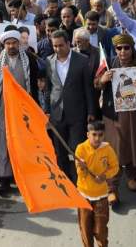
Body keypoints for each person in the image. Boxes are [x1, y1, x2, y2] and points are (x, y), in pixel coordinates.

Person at [96, 34, 136, 204]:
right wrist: (103, 79)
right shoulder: (109, 63)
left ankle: (132, 176)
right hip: (114, 115)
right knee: (115, 148)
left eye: (126, 47)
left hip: (135, 114)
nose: (122, 51)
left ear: (132, 47)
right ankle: (112, 187)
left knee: (135, 145)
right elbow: (96, 82)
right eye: (119, 48)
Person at [0, 29, 43, 195]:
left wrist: (36, 107)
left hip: (24, 105)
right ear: (4, 44)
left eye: (14, 43)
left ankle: (22, 176)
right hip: (4, 105)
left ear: (19, 43)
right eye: (8, 43)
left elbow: (35, 84)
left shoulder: (30, 60)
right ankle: (3, 177)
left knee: (24, 140)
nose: (11, 46)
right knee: (5, 139)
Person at [47, 29, 95, 183]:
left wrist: (91, 111)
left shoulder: (81, 60)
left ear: (69, 43)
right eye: (55, 46)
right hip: (56, 114)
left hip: (77, 113)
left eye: (61, 45)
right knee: (59, 151)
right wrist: (47, 111)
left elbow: (88, 88)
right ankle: (65, 180)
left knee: (77, 149)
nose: (58, 49)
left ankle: (80, 179)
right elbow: (49, 88)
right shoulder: (48, 61)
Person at [75, 120, 119, 247]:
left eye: (100, 135)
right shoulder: (80, 149)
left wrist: (105, 176)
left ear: (104, 135)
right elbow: (80, 174)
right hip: (84, 197)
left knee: (101, 232)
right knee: (85, 231)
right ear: (88, 134)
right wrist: (82, 167)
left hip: (101, 196)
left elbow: (115, 167)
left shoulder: (107, 149)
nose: (97, 138)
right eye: (94, 134)